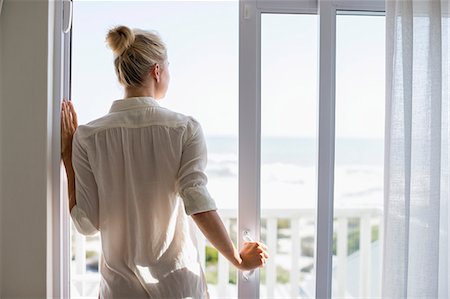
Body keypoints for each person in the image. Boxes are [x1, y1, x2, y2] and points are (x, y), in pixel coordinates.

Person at [60, 25, 268, 298]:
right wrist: (238, 261)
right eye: (168, 67)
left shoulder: (87, 137)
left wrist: (68, 157)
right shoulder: (184, 129)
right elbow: (198, 203)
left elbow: (86, 224)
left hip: (119, 290)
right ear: (156, 71)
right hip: (178, 287)